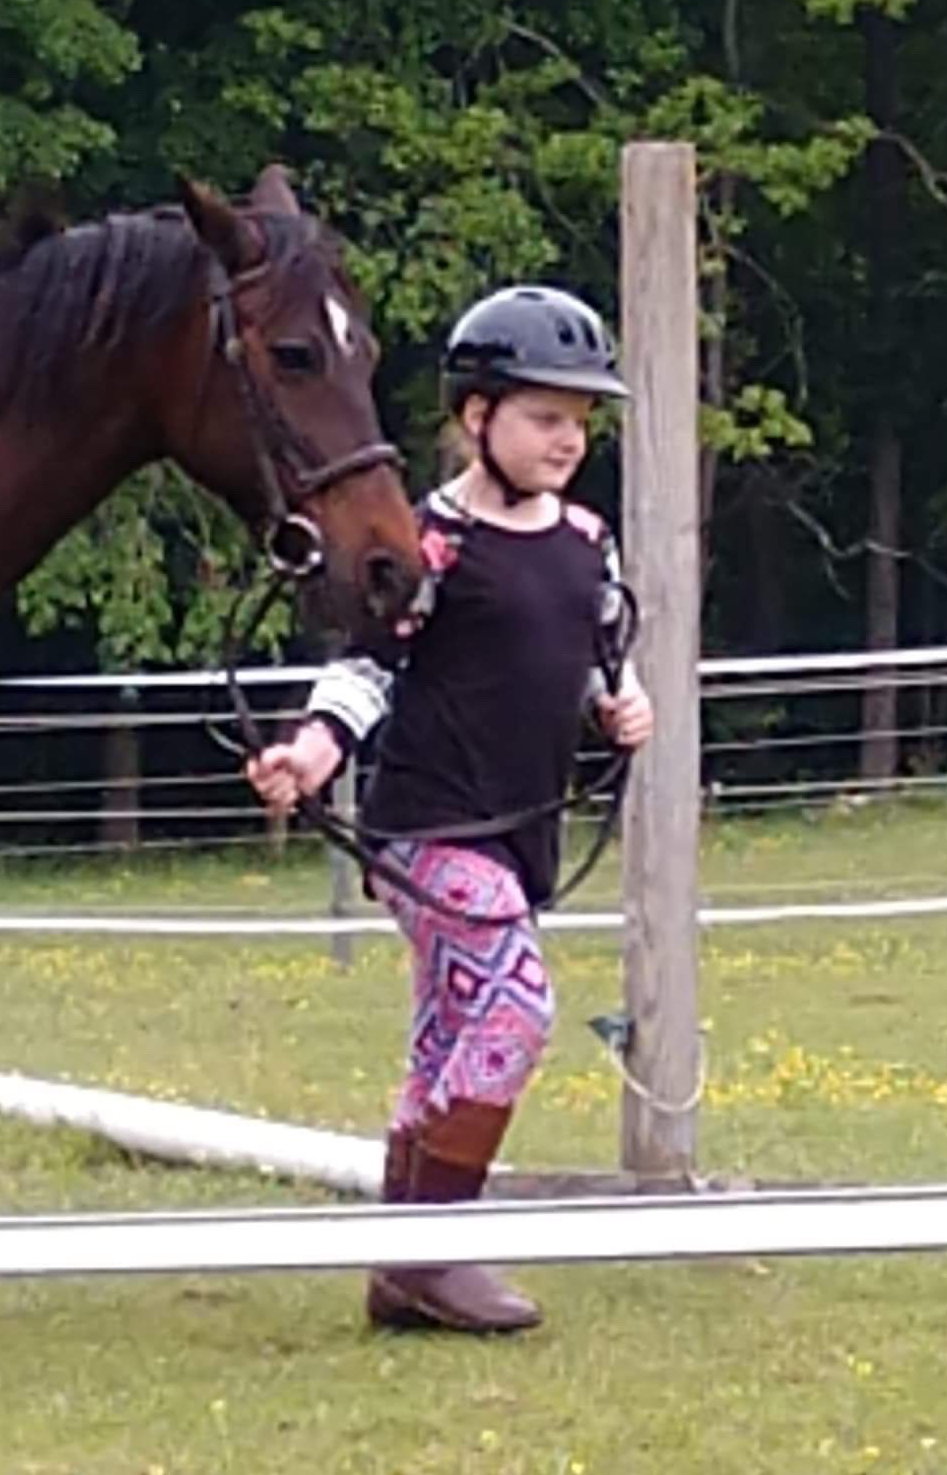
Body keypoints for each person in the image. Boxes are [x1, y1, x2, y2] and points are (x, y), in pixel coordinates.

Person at [247, 283, 655, 1334]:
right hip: (427, 831)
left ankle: (399, 1272)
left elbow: (597, 654)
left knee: (445, 1040)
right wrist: (310, 750)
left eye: (579, 419)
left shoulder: (588, 541)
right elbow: (368, 668)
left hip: (522, 830)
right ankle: (436, 1251)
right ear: (478, 415)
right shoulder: (428, 541)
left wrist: (621, 702)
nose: (568, 439)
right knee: (515, 1009)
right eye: (544, 416)